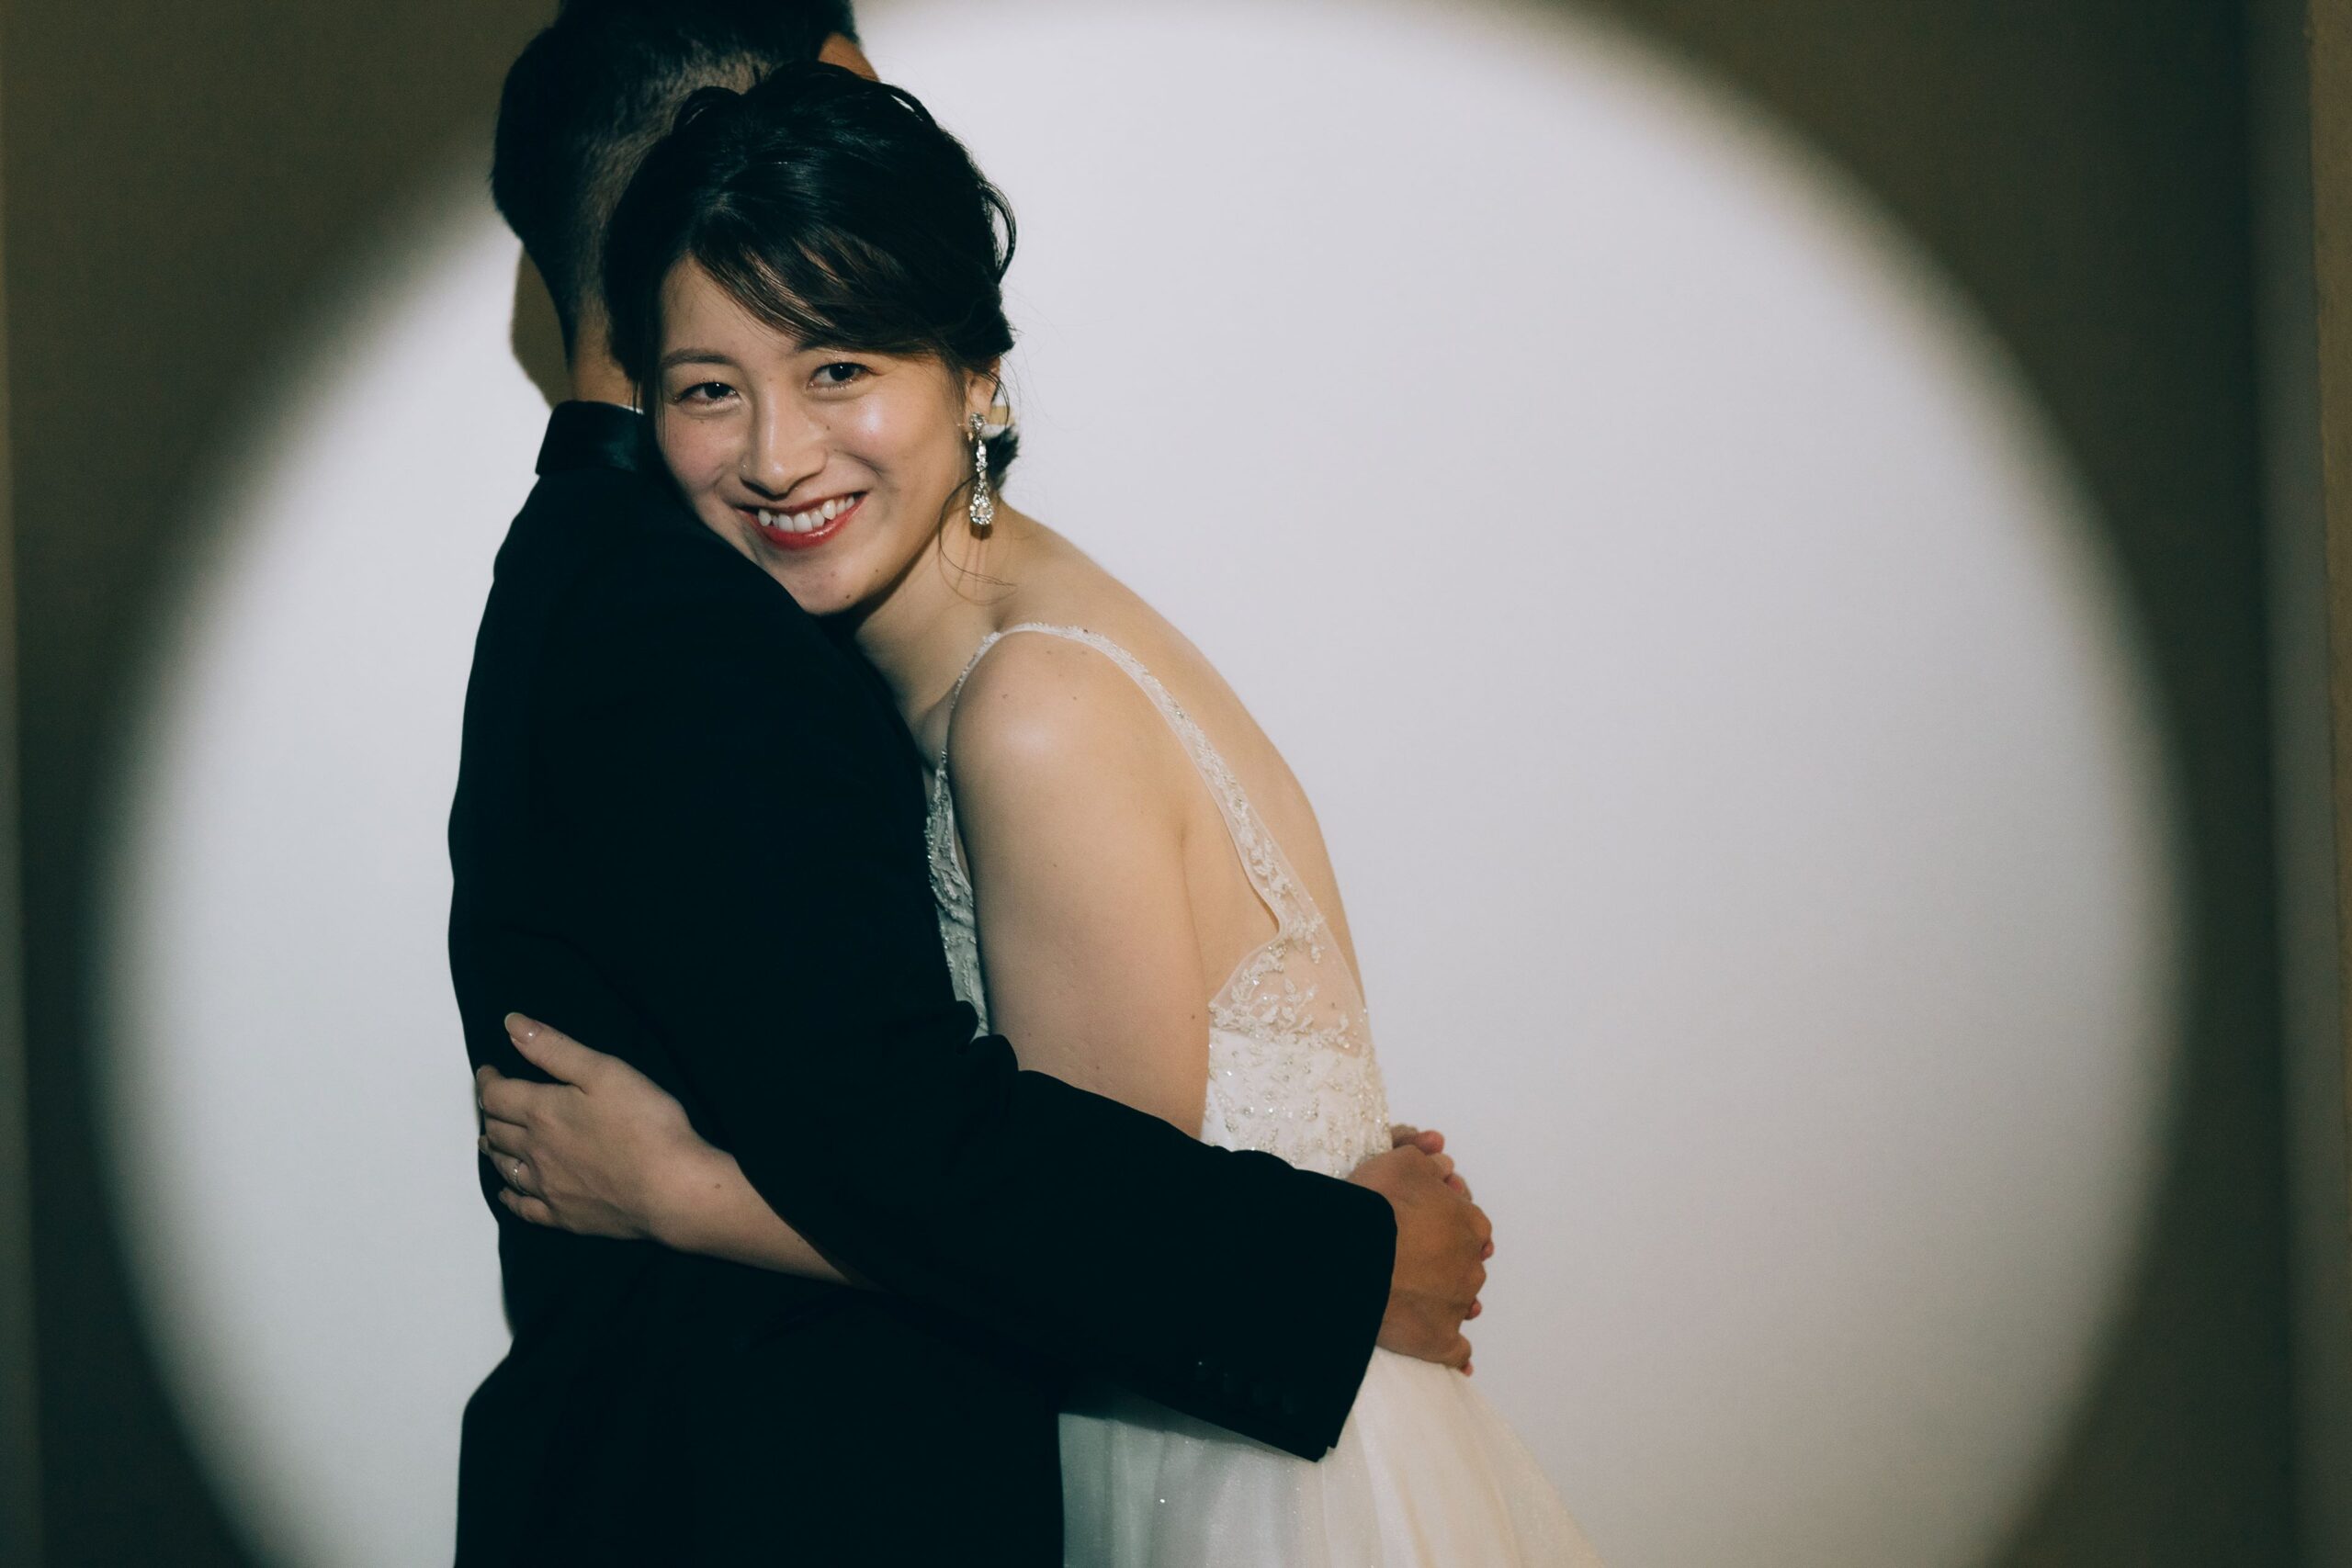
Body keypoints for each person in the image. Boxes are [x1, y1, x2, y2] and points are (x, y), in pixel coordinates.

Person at [472, 60, 1603, 1566]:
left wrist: (685, 1192)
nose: (776, 456)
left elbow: (1088, 1256)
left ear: (979, 381)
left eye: (839, 369)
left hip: (1224, 1476)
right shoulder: (904, 654)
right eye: (708, 391)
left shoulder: (1033, 706)